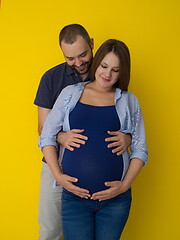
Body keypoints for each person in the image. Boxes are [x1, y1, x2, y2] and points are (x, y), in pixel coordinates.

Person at [39, 39, 148, 240]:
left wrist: (124, 187)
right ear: (97, 63)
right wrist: (59, 176)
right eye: (104, 66)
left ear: (122, 72)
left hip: (115, 201)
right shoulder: (70, 94)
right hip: (75, 198)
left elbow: (141, 149)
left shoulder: (129, 101)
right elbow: (46, 136)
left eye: (115, 70)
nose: (107, 74)